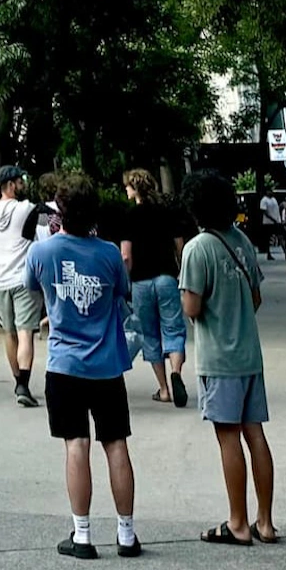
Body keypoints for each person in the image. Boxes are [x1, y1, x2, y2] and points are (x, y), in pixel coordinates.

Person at [28, 173, 140, 560]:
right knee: (116, 444)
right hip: (107, 365)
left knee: (76, 444)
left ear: (60, 210)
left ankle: (82, 534)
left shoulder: (42, 252)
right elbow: (123, 292)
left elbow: (32, 286)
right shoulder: (109, 253)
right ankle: (126, 533)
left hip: (65, 365)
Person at [179, 170, 277, 547]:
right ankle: (264, 522)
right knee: (256, 434)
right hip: (250, 354)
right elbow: (256, 298)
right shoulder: (243, 242)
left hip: (219, 357)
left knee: (228, 438)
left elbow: (191, 306)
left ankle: (237, 522)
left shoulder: (197, 248)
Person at [120, 168, 189, 408]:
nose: (126, 190)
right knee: (173, 329)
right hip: (166, 277)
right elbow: (180, 245)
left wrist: (124, 282)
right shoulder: (166, 211)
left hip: (141, 281)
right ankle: (177, 372)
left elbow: (126, 255)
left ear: (135, 188)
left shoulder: (129, 216)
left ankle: (163, 389)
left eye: (128, 186)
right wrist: (180, 271)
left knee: (149, 334)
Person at [0, 166, 44, 409]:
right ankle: (24, 384)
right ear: (11, 184)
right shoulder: (25, 208)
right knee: (25, 332)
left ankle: (17, 381)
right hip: (22, 278)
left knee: (8, 332)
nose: (23, 185)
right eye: (20, 181)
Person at [257, 189, 282, 260]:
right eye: (269, 191)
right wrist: (272, 219)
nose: (271, 192)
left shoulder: (274, 199)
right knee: (268, 239)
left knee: (280, 235)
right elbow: (264, 212)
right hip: (267, 222)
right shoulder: (264, 200)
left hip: (277, 221)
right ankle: (268, 254)